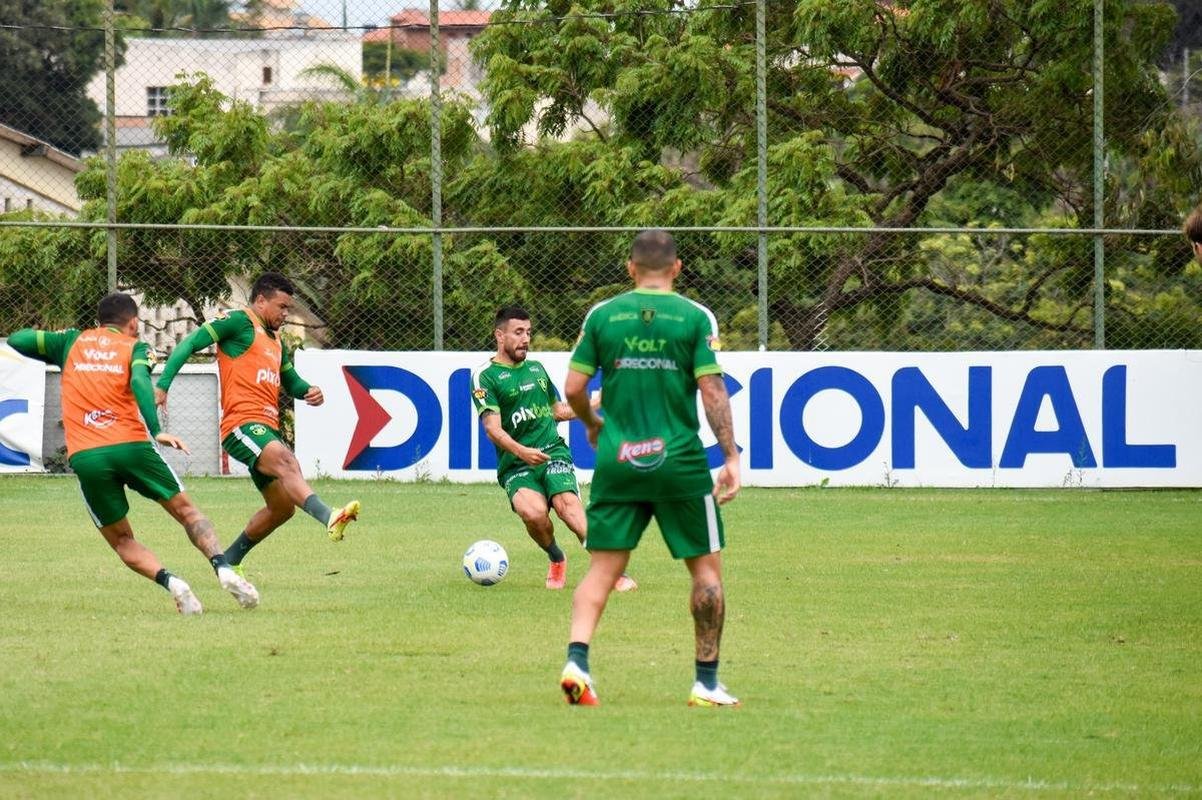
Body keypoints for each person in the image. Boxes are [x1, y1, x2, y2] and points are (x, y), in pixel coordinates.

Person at [558, 230, 741, 707]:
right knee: (706, 572)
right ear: (677, 268)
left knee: (601, 571)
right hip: (679, 461)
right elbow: (713, 392)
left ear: (630, 268)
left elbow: (574, 386)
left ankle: (577, 661)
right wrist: (731, 456)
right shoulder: (694, 318)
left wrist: (593, 424)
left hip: (618, 460)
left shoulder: (603, 316)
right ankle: (705, 682)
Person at [6, 293, 259, 615]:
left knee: (122, 540)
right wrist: (157, 430)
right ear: (133, 323)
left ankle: (173, 583)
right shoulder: (136, 348)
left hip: (88, 456)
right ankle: (222, 567)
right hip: (132, 446)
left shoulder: (71, 342)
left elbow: (18, 339)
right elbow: (140, 381)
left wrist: (59, 341)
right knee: (188, 513)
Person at [154, 272, 359, 570]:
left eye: (288, 308)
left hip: (265, 429)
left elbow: (290, 381)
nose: (286, 314)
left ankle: (228, 562)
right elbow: (188, 345)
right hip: (241, 425)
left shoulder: (275, 340)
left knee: (282, 508)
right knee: (289, 463)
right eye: (281, 307)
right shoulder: (237, 321)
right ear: (260, 301)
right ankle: (330, 517)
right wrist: (163, 385)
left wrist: (309, 391)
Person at [470, 306, 636, 592]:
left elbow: (557, 411)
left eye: (529, 332)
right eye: (518, 332)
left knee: (568, 507)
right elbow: (492, 429)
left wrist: (594, 403)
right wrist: (522, 452)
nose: (525, 339)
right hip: (516, 464)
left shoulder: (536, 369)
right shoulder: (485, 377)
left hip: (552, 452)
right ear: (499, 335)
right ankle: (556, 557)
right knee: (534, 515)